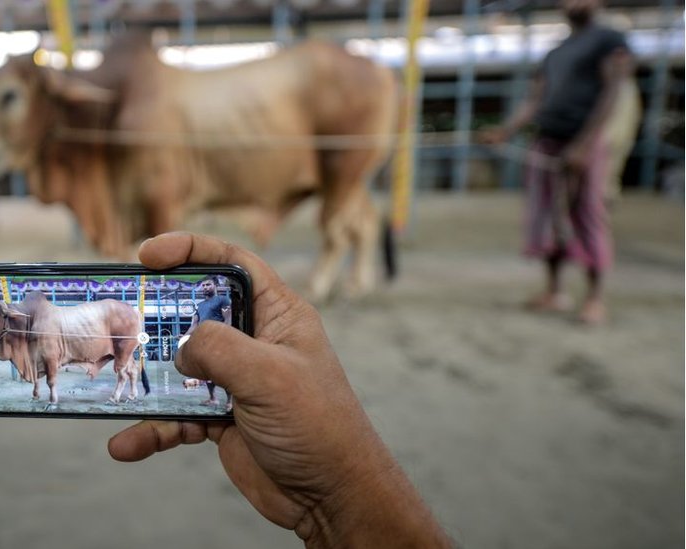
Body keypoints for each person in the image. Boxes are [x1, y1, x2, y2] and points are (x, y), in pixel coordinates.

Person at [109, 232, 451, 548]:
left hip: (223, 350)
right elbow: (200, 322)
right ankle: (209, 393)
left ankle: (209, 392)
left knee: (209, 379)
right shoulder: (201, 306)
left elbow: (225, 315)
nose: (209, 288)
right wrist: (329, 503)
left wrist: (333, 497)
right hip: (211, 353)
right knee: (203, 382)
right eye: (209, 286)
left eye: (212, 285)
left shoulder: (219, 304)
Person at [483, 0, 633, 325]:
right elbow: (537, 98)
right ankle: (555, 291)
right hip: (548, 141)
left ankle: (595, 298)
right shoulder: (556, 51)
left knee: (588, 215)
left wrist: (583, 145)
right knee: (547, 217)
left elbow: (613, 91)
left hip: (584, 143)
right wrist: (506, 131)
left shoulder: (609, 40)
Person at [183, 276, 232, 411]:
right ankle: (213, 398)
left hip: (218, 341)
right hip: (204, 343)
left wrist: (223, 337)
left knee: (223, 373)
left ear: (215, 285)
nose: (205, 287)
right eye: (203, 285)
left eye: (208, 285)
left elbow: (228, 319)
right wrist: (184, 336)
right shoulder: (200, 305)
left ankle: (229, 402)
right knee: (207, 373)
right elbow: (194, 325)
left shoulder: (223, 300)